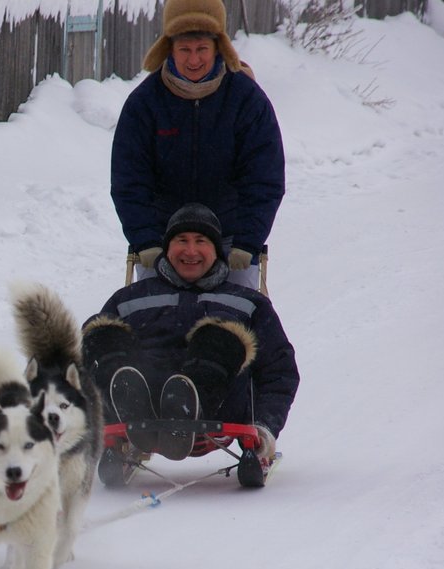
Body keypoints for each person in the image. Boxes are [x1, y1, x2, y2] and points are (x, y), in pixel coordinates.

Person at [82, 202, 298, 462]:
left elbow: (279, 370)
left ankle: (186, 408)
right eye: (181, 240)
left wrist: (265, 425)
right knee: (101, 330)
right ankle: (132, 407)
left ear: (216, 250)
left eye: (201, 241)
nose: (191, 250)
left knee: (222, 336)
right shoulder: (129, 299)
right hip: (145, 393)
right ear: (168, 248)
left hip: (217, 408)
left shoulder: (247, 303)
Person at [111, 0, 285, 293]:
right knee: (156, 328)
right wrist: (146, 242)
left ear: (218, 47)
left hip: (231, 241)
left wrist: (247, 242)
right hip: (163, 242)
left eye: (202, 49)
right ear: (169, 48)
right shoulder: (145, 103)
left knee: (235, 327)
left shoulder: (246, 99)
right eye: (184, 50)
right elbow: (130, 181)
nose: (194, 60)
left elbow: (264, 179)